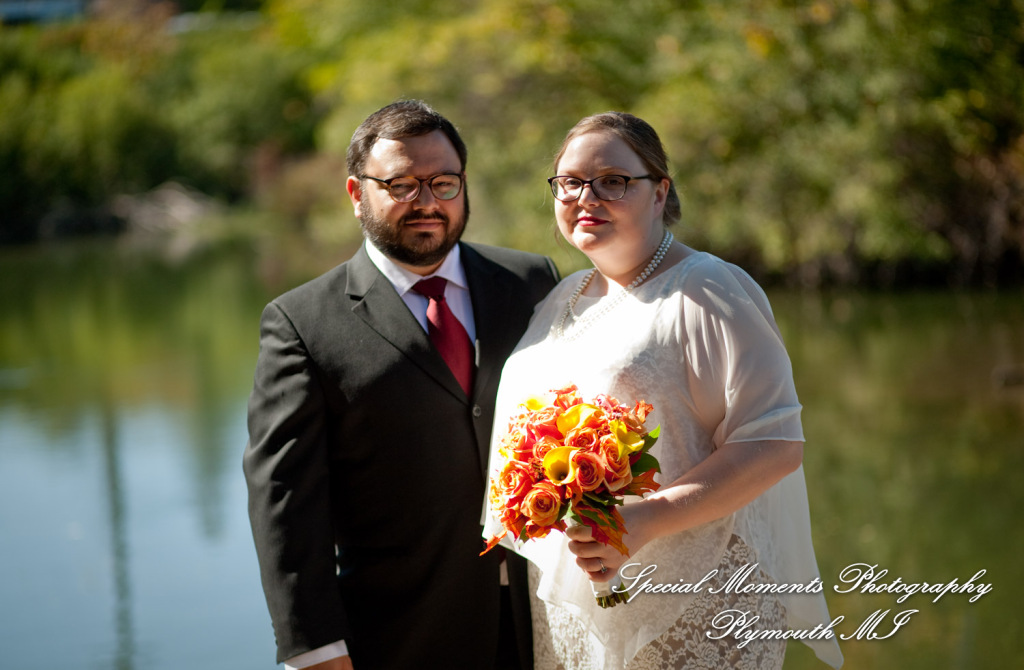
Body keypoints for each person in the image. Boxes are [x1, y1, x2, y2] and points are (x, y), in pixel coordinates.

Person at [483, 112, 844, 669]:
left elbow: (774, 445)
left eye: (613, 180)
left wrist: (641, 519)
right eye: (570, 182)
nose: (586, 196)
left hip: (695, 597)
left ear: (660, 192)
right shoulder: (561, 298)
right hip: (573, 603)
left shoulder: (707, 289)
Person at [244, 100, 559, 670]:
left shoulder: (531, 282)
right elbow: (285, 502)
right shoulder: (302, 323)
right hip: (399, 635)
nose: (427, 202)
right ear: (355, 193)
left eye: (443, 182)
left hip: (544, 621)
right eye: (401, 184)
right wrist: (314, 647)